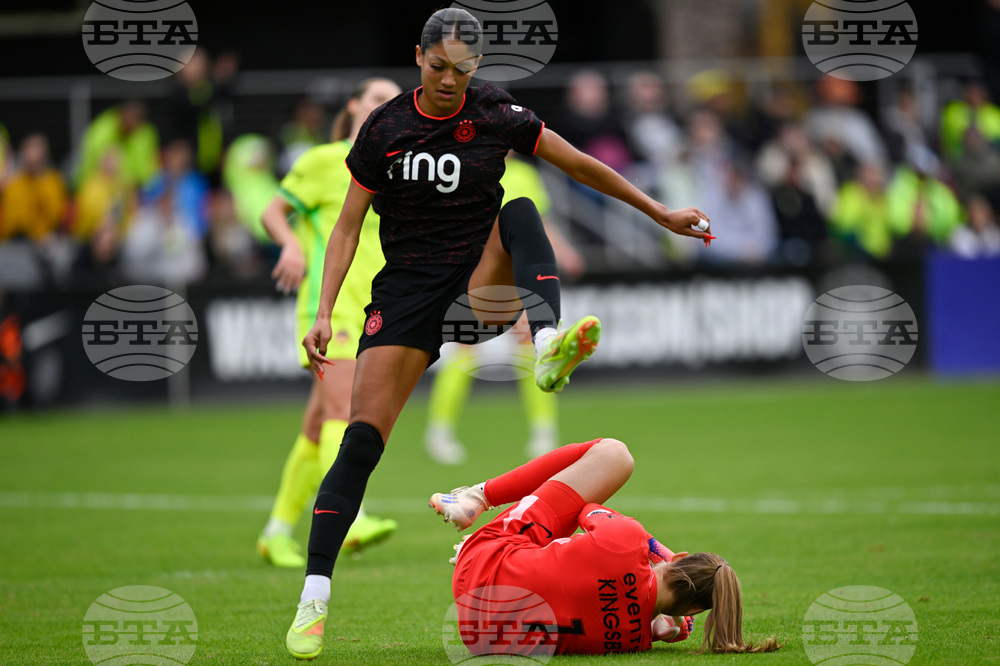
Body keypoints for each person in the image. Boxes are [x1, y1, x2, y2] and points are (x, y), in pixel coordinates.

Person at [286, 9, 711, 659]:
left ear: (477, 66)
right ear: (419, 57)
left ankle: (545, 344)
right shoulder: (386, 128)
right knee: (360, 445)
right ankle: (313, 600)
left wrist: (659, 213)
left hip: (473, 294)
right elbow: (345, 228)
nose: (451, 80)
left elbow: (578, 164)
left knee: (519, 208)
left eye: (464, 68)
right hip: (401, 302)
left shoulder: (494, 112)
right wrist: (322, 312)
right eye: (439, 66)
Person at [428, 438, 782, 656]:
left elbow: (584, 508)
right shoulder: (634, 641)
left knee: (613, 455)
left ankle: (477, 496)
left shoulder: (627, 541)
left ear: (683, 559)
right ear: (691, 610)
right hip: (482, 635)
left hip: (485, 558)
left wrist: (657, 548)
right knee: (577, 559)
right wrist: (664, 623)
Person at [256, 78, 403, 569]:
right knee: (345, 405)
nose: (386, 107)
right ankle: (352, 514)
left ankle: (276, 532)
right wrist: (291, 244)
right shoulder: (324, 160)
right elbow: (272, 211)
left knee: (318, 427)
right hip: (328, 308)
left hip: (371, 307)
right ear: (354, 106)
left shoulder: (397, 168)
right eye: (377, 98)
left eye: (394, 101)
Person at [424, 151, 585, 464]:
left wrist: (565, 252)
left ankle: (543, 431)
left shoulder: (524, 174)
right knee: (465, 346)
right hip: (477, 269)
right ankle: (439, 431)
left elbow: (541, 223)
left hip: (518, 269)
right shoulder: (464, 166)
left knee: (528, 340)